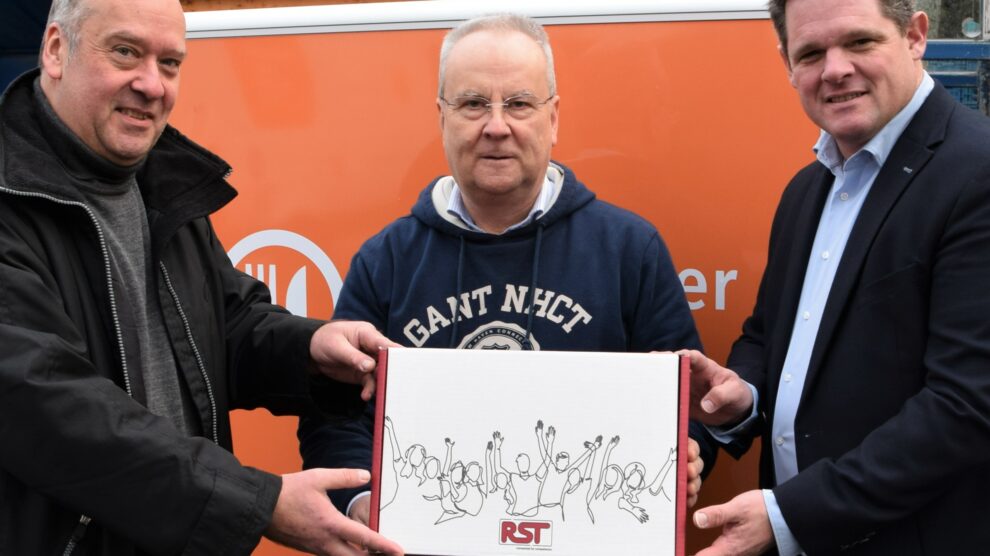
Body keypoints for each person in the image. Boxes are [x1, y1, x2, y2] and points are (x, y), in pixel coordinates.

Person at [0, 0, 404, 554]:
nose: (151, 84)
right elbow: (50, 408)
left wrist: (310, 347)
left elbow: (225, 320)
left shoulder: (162, 183)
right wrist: (253, 503)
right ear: (54, 50)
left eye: (170, 63)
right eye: (125, 52)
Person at [298, 12, 712, 527]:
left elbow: (687, 408)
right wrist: (365, 507)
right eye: (473, 103)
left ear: (553, 117)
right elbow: (334, 418)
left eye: (519, 103)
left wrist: (685, 457)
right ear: (442, 118)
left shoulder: (630, 249)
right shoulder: (386, 259)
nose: (497, 126)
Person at [686, 0, 990, 554]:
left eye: (859, 42)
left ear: (915, 35)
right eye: (811, 53)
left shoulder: (977, 173)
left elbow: (966, 405)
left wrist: (791, 514)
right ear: (787, 64)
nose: (834, 70)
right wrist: (746, 395)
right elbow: (767, 332)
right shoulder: (807, 189)